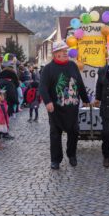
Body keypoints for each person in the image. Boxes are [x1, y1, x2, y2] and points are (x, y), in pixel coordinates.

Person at [39, 41, 90, 170]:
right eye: (62, 50)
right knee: (55, 133)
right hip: (55, 108)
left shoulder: (72, 65)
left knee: (74, 132)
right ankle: (55, 160)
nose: (65, 52)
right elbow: (43, 88)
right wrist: (47, 101)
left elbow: (79, 83)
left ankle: (71, 154)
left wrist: (85, 99)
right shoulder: (48, 69)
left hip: (72, 107)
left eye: (66, 50)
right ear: (56, 54)